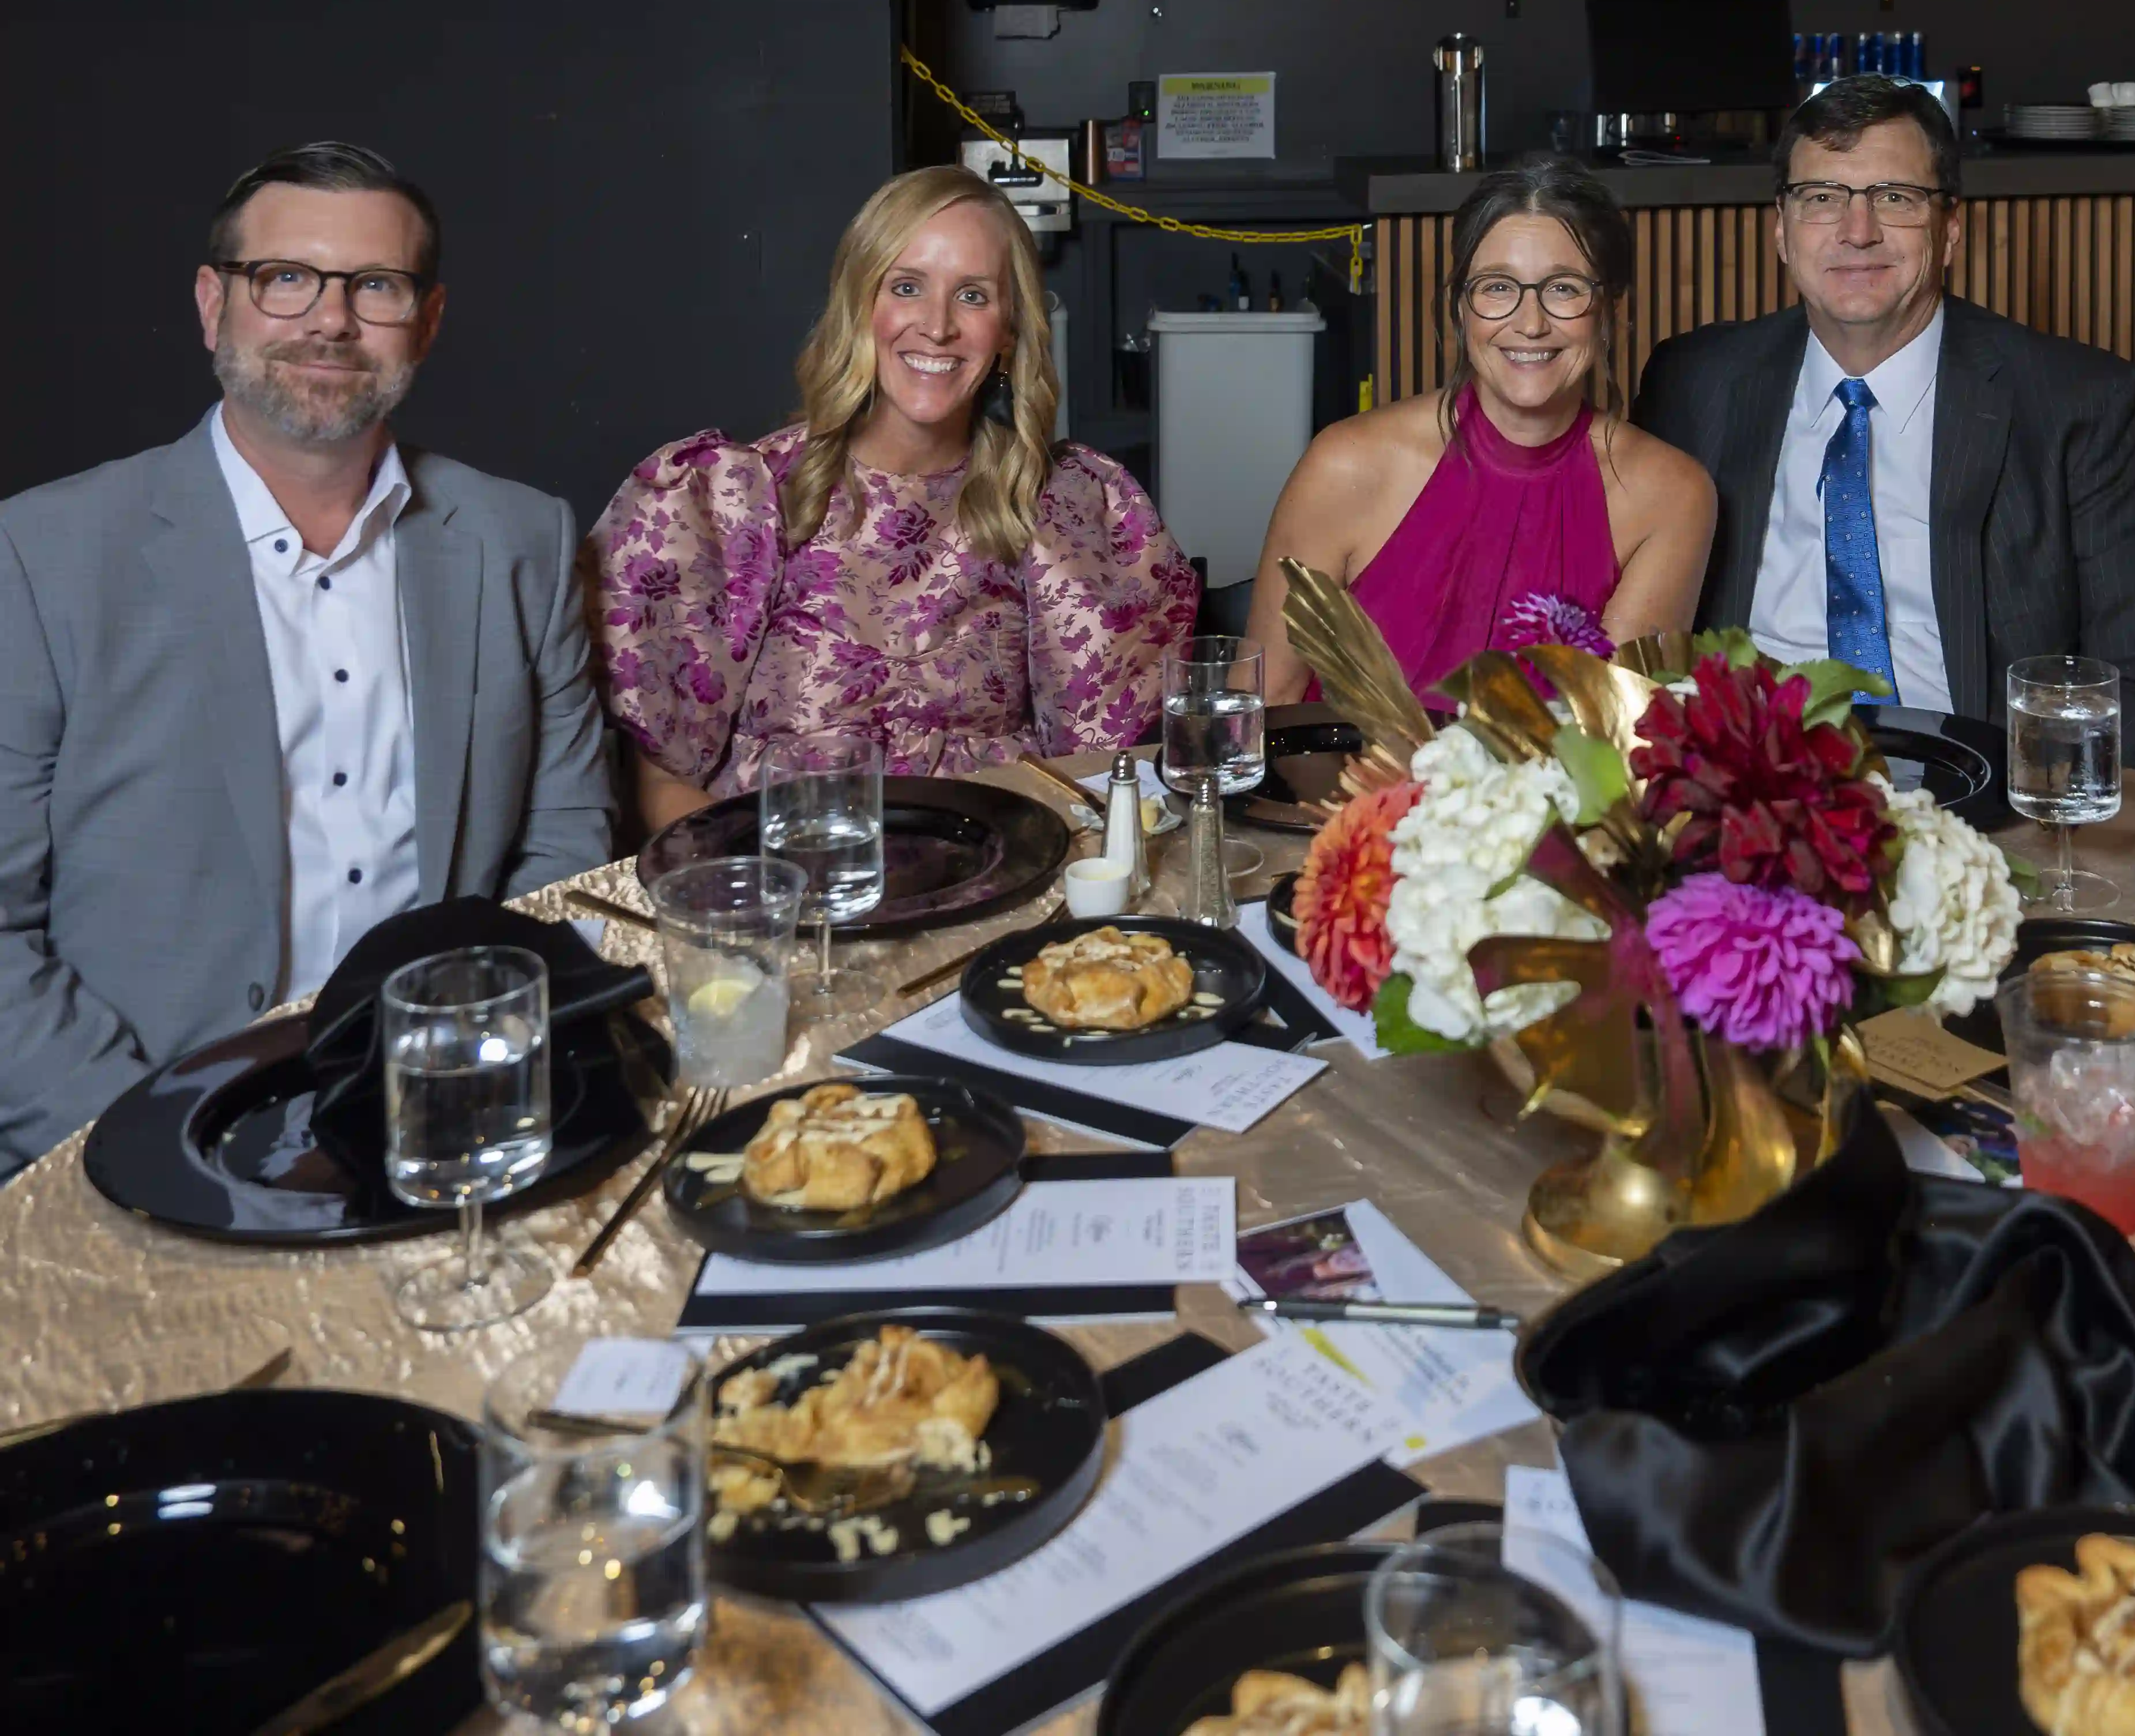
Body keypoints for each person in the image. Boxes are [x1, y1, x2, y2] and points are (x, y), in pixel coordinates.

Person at [0, 142, 611, 1167]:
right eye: (284, 279)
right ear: (213, 304)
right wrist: (145, 1140)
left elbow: (566, 843)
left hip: (439, 1114)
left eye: (375, 285)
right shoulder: (40, 556)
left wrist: (463, 1066)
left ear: (428, 320)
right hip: (130, 1130)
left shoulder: (522, 542)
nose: (330, 320)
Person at [1632, 77, 2135, 775]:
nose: (1858, 232)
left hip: (1982, 804)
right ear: (1781, 230)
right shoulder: (1693, 383)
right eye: (1822, 198)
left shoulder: (2078, 404)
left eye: (1896, 198)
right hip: (1746, 794)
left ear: (1950, 231)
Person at [590, 165, 1197, 831]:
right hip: (786, 893)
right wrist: (757, 895)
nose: (937, 327)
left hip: (997, 874)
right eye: (907, 287)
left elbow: (1108, 774)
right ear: (860, 307)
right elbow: (658, 779)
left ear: (1009, 334)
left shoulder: (1063, 505)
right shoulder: (731, 499)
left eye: (973, 295)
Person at [1244, 164, 1715, 702]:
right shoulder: (1347, 463)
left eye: (1564, 289)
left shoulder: (1672, 493)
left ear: (1608, 310)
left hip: (1556, 787)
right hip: (1334, 785)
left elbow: (1615, 737)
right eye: (1497, 288)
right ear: (1462, 308)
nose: (1530, 323)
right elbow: (1262, 708)